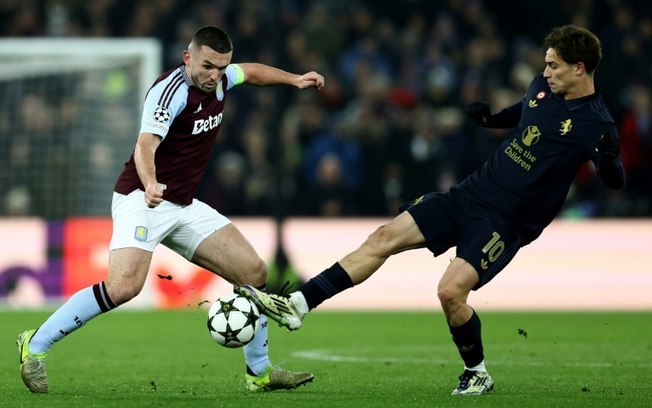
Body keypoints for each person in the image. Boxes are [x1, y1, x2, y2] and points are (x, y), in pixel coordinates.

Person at [236, 25, 625, 396]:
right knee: (383, 237)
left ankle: (477, 373)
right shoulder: (543, 88)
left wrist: (608, 161)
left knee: (450, 293)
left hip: (506, 220)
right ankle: (297, 305)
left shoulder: (597, 124)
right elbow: (524, 111)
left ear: (579, 68)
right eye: (546, 63)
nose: (545, 72)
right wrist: (490, 119)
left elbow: (615, 180)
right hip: (471, 192)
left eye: (554, 65)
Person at [17, 26, 324, 394]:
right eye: (208, 66)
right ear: (188, 57)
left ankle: (258, 372)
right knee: (124, 287)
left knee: (253, 272)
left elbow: (251, 71)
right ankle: (34, 345)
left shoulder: (223, 78)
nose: (215, 75)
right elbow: (145, 146)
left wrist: (294, 80)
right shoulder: (170, 93)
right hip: (144, 198)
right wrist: (149, 183)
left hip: (182, 203)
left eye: (222, 68)